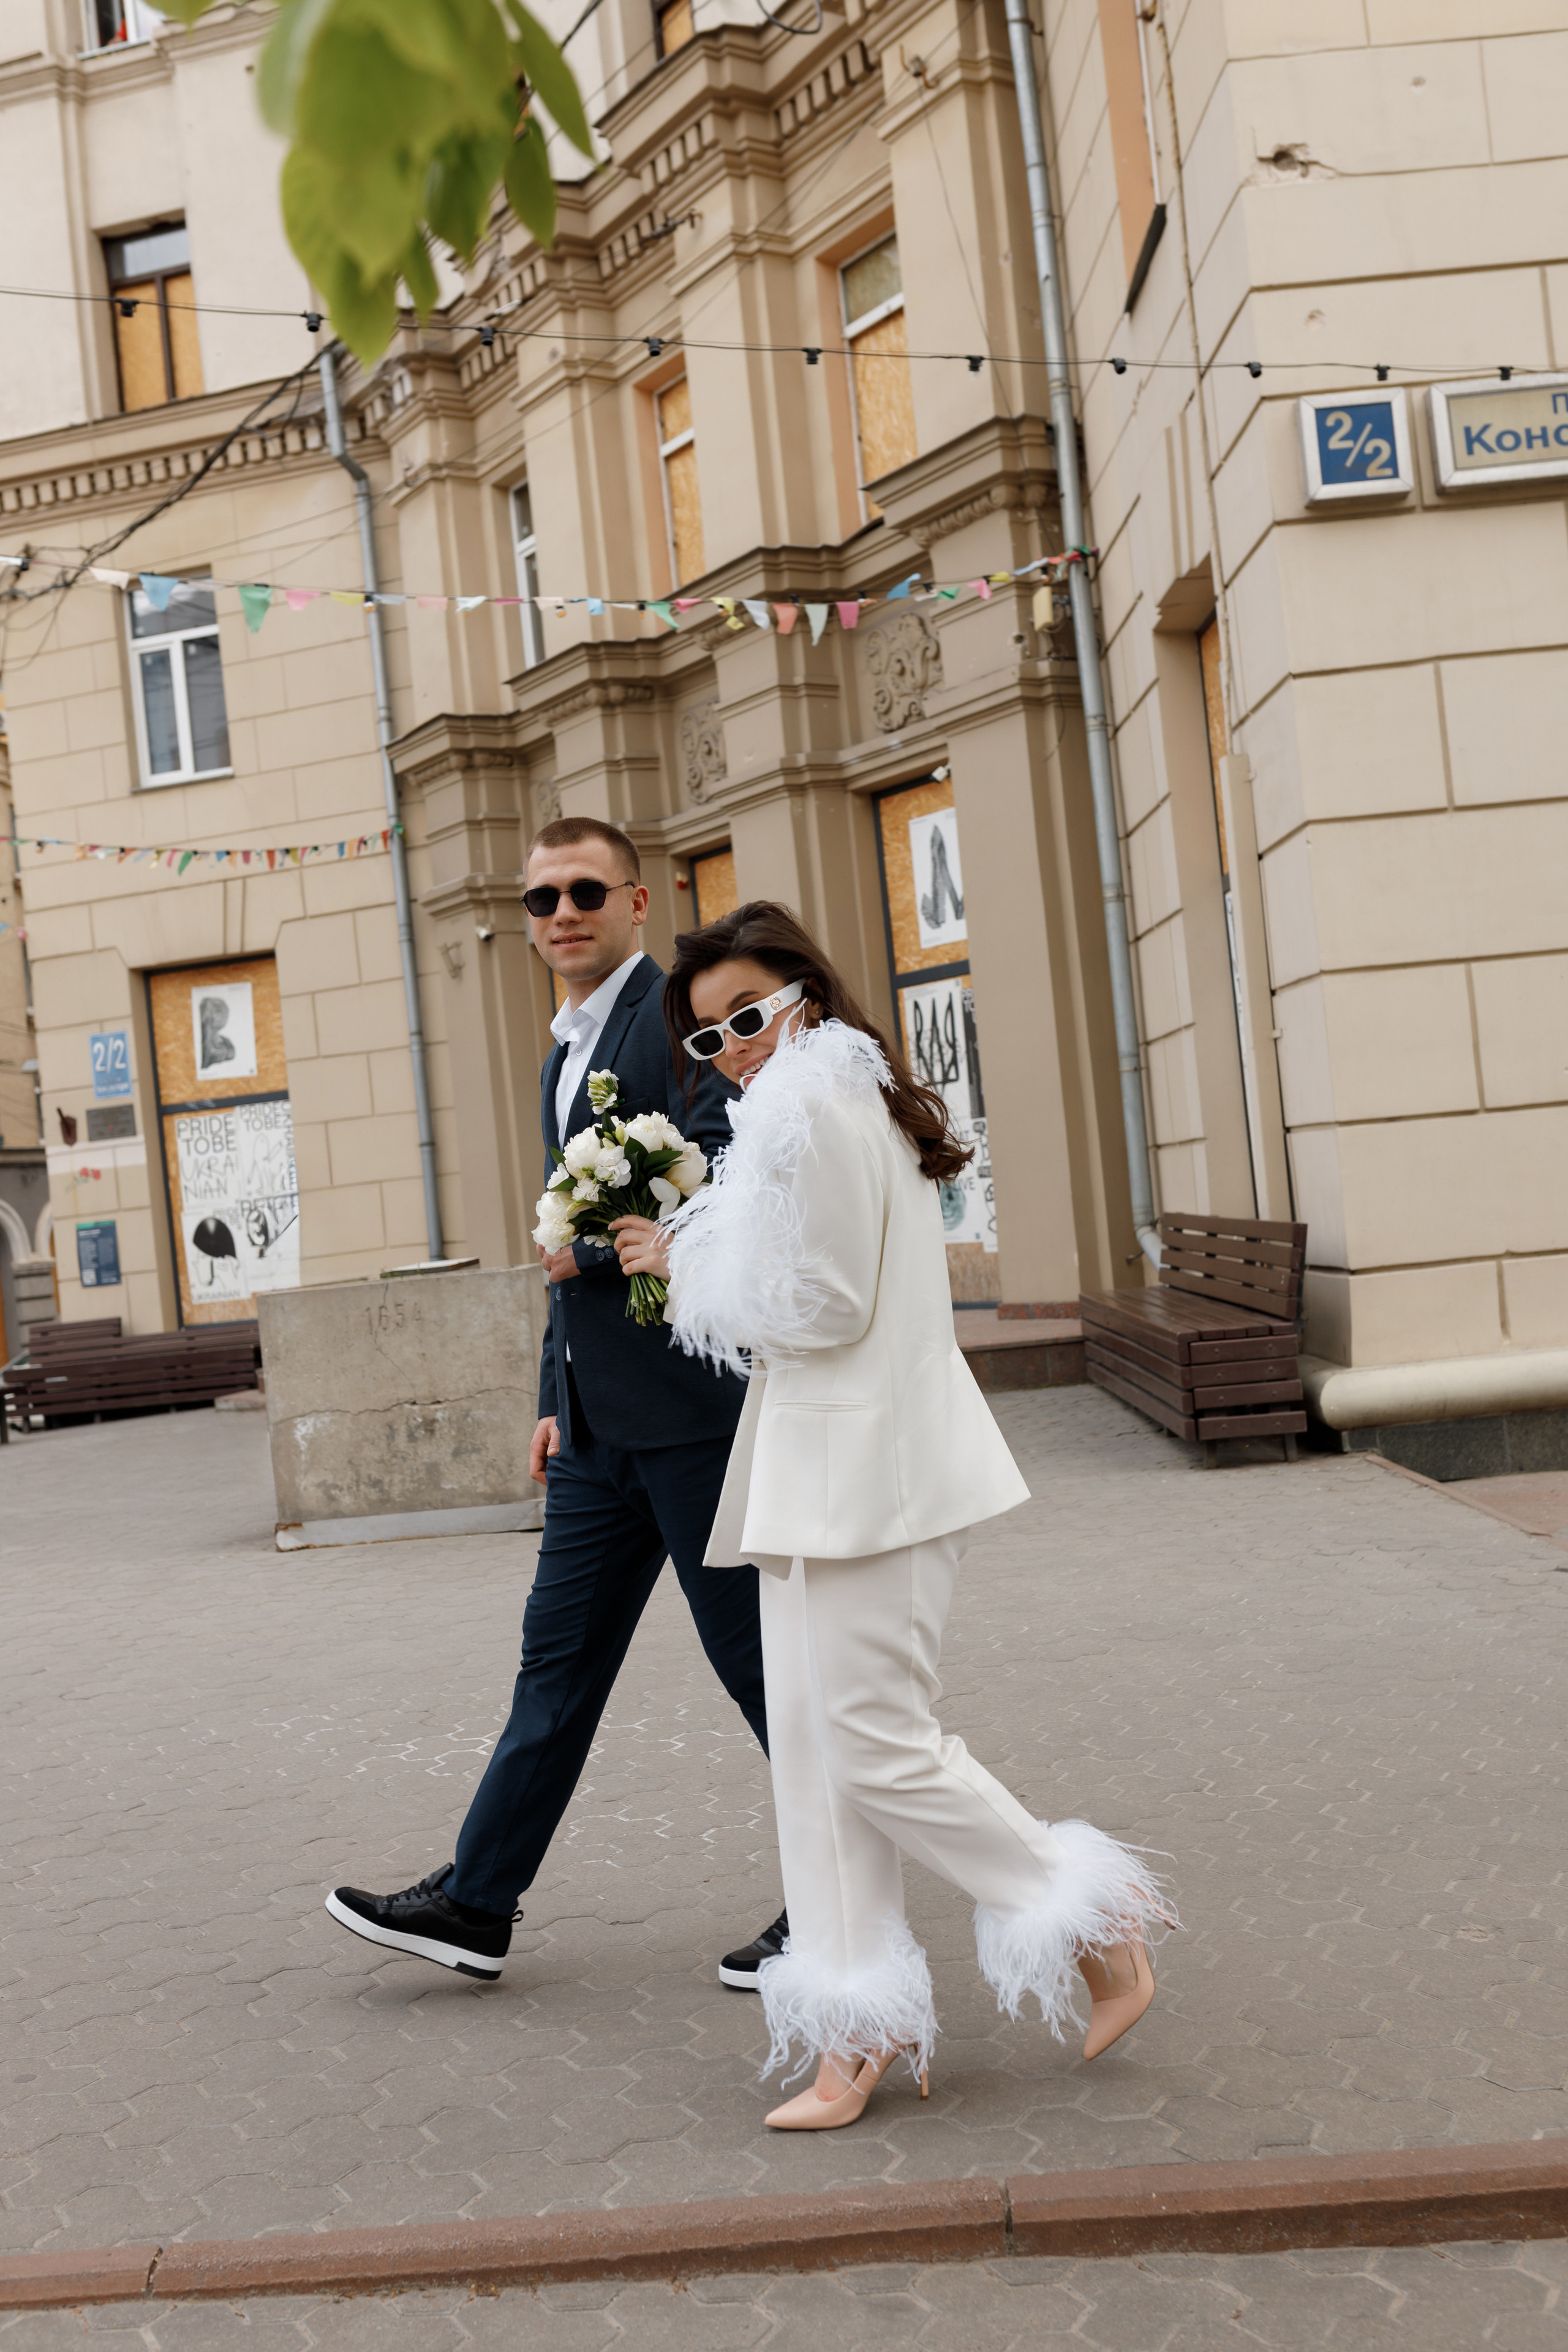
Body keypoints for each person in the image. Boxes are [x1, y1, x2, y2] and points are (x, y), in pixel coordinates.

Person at [614, 902, 1174, 2130]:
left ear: (803, 996)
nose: (734, 1049)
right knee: (816, 1760)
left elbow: (816, 1308)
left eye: (747, 1018)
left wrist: (687, 1267)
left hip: (875, 1472)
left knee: (866, 1741)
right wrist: (692, 1245)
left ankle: (1093, 1924)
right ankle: (856, 2031)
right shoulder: (806, 1101)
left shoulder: (811, 1102)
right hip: (830, 1470)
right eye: (707, 1040)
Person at [326, 821, 785, 1989]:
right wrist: (553, 1390)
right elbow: (559, 1246)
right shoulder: (562, 1053)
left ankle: (836, 1902)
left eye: (585, 891)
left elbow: (737, 1171)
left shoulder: (681, 1019)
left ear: (639, 900)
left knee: (763, 1672)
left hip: (689, 1414)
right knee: (556, 1669)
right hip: (593, 1430)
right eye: (540, 899)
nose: (561, 913)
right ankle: (476, 1905)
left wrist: (600, 1245)